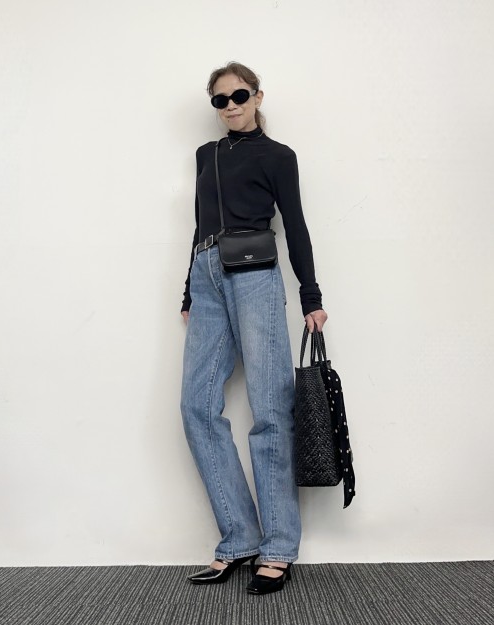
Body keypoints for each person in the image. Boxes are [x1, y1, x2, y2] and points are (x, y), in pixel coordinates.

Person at [179, 61, 328, 596]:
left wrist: (311, 296)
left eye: (239, 95)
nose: (231, 106)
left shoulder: (277, 156)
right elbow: (199, 224)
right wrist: (189, 289)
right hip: (207, 275)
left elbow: (296, 224)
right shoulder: (207, 154)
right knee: (197, 406)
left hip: (255, 274)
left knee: (269, 410)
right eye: (220, 100)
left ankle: (279, 547)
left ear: (258, 97)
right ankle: (239, 538)